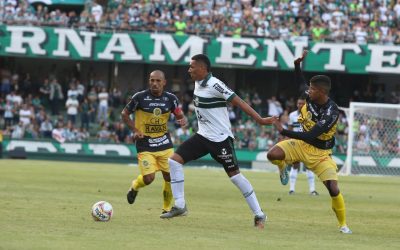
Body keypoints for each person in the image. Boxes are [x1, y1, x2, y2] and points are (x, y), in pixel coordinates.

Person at [160, 54, 275, 229]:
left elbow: (239, 101)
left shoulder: (215, 84)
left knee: (235, 177)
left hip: (221, 139)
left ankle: (259, 214)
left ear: (202, 68)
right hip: (203, 136)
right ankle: (180, 206)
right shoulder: (198, 83)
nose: (189, 69)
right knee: (174, 162)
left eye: (192, 67)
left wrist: (260, 120)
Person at [266, 50, 352, 234]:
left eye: (312, 89)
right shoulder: (309, 96)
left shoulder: (331, 112)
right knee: (272, 154)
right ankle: (283, 167)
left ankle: (343, 225)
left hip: (320, 154)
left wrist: (284, 130)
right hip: (301, 146)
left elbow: (311, 135)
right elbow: (300, 82)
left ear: (321, 92)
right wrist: (297, 65)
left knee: (333, 189)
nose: (308, 91)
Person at [121, 70, 187, 216]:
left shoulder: (171, 98)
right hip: (145, 144)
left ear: (164, 82)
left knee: (169, 176)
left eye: (158, 81)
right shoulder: (139, 98)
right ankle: (135, 186)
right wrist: (135, 129)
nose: (154, 83)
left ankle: (166, 208)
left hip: (164, 143)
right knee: (149, 179)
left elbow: (178, 112)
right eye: (152, 80)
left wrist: (181, 119)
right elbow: (124, 114)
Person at [287, 95, 319, 196]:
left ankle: (312, 190)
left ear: (306, 104)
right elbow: (289, 130)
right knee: (295, 165)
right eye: (298, 103)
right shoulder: (292, 115)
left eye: (302, 103)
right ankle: (291, 189)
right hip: (296, 144)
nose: (300, 105)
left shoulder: (309, 115)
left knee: (309, 166)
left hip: (307, 143)